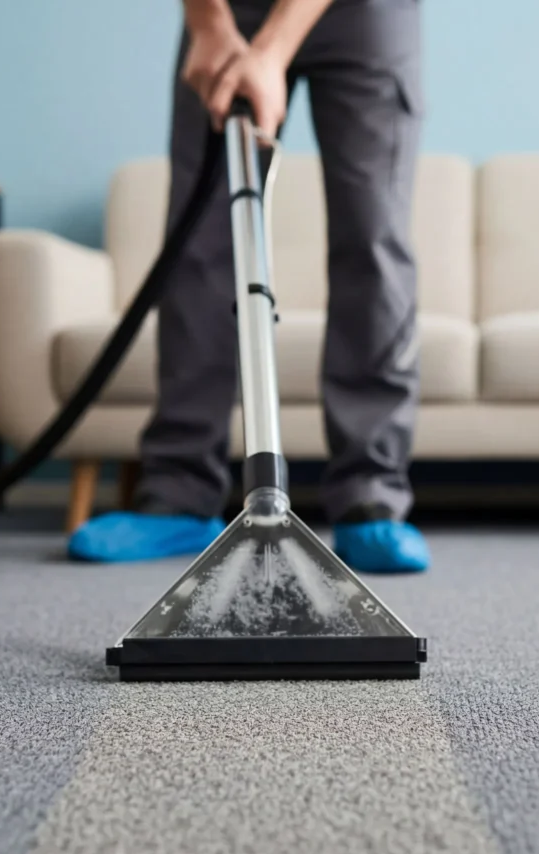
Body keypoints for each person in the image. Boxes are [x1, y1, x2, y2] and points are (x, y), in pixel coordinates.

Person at [70, 0, 429, 573]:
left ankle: (373, 496)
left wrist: (273, 50)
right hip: (229, 12)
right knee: (200, 242)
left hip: (364, 13)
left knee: (372, 235)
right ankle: (178, 494)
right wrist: (212, 26)